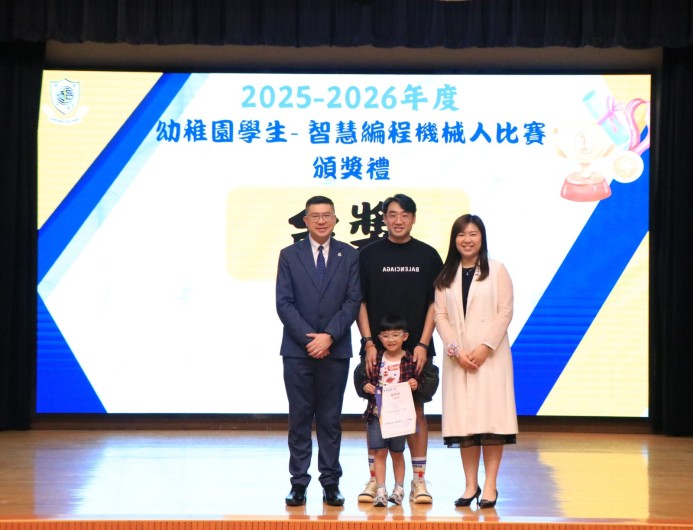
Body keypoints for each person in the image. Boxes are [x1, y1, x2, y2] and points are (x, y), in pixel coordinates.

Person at [356, 193, 443, 504]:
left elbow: (435, 303)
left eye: (405, 215)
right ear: (384, 218)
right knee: (376, 411)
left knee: (416, 412)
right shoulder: (367, 254)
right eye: (392, 214)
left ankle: (418, 480)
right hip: (376, 349)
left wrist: (422, 343)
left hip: (416, 349)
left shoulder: (428, 255)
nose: (398, 220)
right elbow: (360, 301)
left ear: (414, 218)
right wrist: (368, 342)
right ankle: (375, 480)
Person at [276, 195, 361, 507]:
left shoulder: (349, 255)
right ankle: (298, 483)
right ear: (306, 220)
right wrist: (310, 340)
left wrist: (329, 337)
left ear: (335, 219)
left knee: (330, 419)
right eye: (315, 216)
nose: (322, 221)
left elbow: (353, 300)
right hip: (297, 352)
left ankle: (331, 483)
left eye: (327, 215)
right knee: (299, 418)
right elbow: (284, 303)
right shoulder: (289, 255)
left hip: (335, 351)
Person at [433, 214, 518, 509]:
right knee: (465, 425)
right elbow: (440, 316)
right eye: (461, 235)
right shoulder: (446, 275)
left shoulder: (497, 270)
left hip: (490, 359)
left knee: (491, 423)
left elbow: (505, 312)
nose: (467, 240)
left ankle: (490, 485)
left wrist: (484, 348)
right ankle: (470, 485)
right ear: (454, 240)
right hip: (458, 359)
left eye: (473, 234)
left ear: (482, 238)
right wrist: (455, 349)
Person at [359, 315, 423, 507]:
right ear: (379, 338)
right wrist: (366, 386)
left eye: (396, 335)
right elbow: (365, 378)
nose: (391, 339)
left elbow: (419, 380)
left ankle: (399, 489)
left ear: (405, 336)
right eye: (386, 336)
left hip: (399, 416)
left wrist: (415, 384)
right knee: (379, 452)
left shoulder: (410, 359)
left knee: (397, 452)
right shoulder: (376, 359)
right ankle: (380, 490)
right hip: (377, 414)